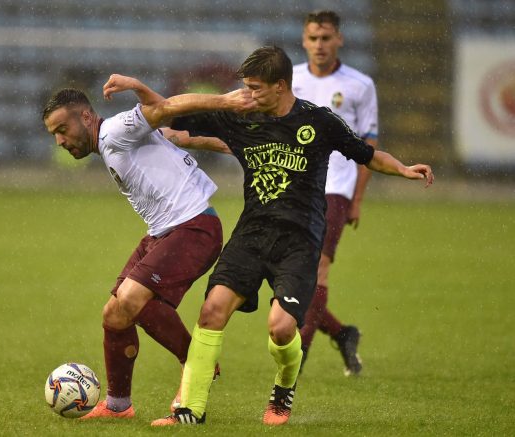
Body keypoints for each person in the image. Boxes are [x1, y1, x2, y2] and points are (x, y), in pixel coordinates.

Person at [104, 46, 433, 426]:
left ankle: (283, 387)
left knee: (280, 329)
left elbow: (367, 154)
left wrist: (403, 169)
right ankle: (189, 411)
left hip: (299, 240)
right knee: (211, 311)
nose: (248, 95)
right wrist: (139, 87)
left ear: (280, 86)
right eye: (245, 87)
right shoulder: (240, 117)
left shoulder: (318, 121)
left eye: (255, 88)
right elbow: (166, 109)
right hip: (252, 233)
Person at [41, 83, 254, 420]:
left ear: (86, 117)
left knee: (131, 298)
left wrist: (226, 101)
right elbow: (167, 129)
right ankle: (118, 406)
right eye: (54, 134)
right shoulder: (112, 143)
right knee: (115, 315)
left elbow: (166, 108)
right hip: (163, 232)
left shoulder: (114, 131)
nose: (60, 141)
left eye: (63, 129)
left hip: (193, 227)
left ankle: (196, 362)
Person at [291, 10, 379, 376]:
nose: (319, 45)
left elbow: (369, 146)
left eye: (326, 38)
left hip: (336, 190)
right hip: (295, 189)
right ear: (304, 40)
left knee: (318, 269)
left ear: (339, 39)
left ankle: (298, 355)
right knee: (288, 276)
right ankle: (343, 334)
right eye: (313, 38)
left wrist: (356, 199)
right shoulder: (290, 80)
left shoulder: (360, 85)